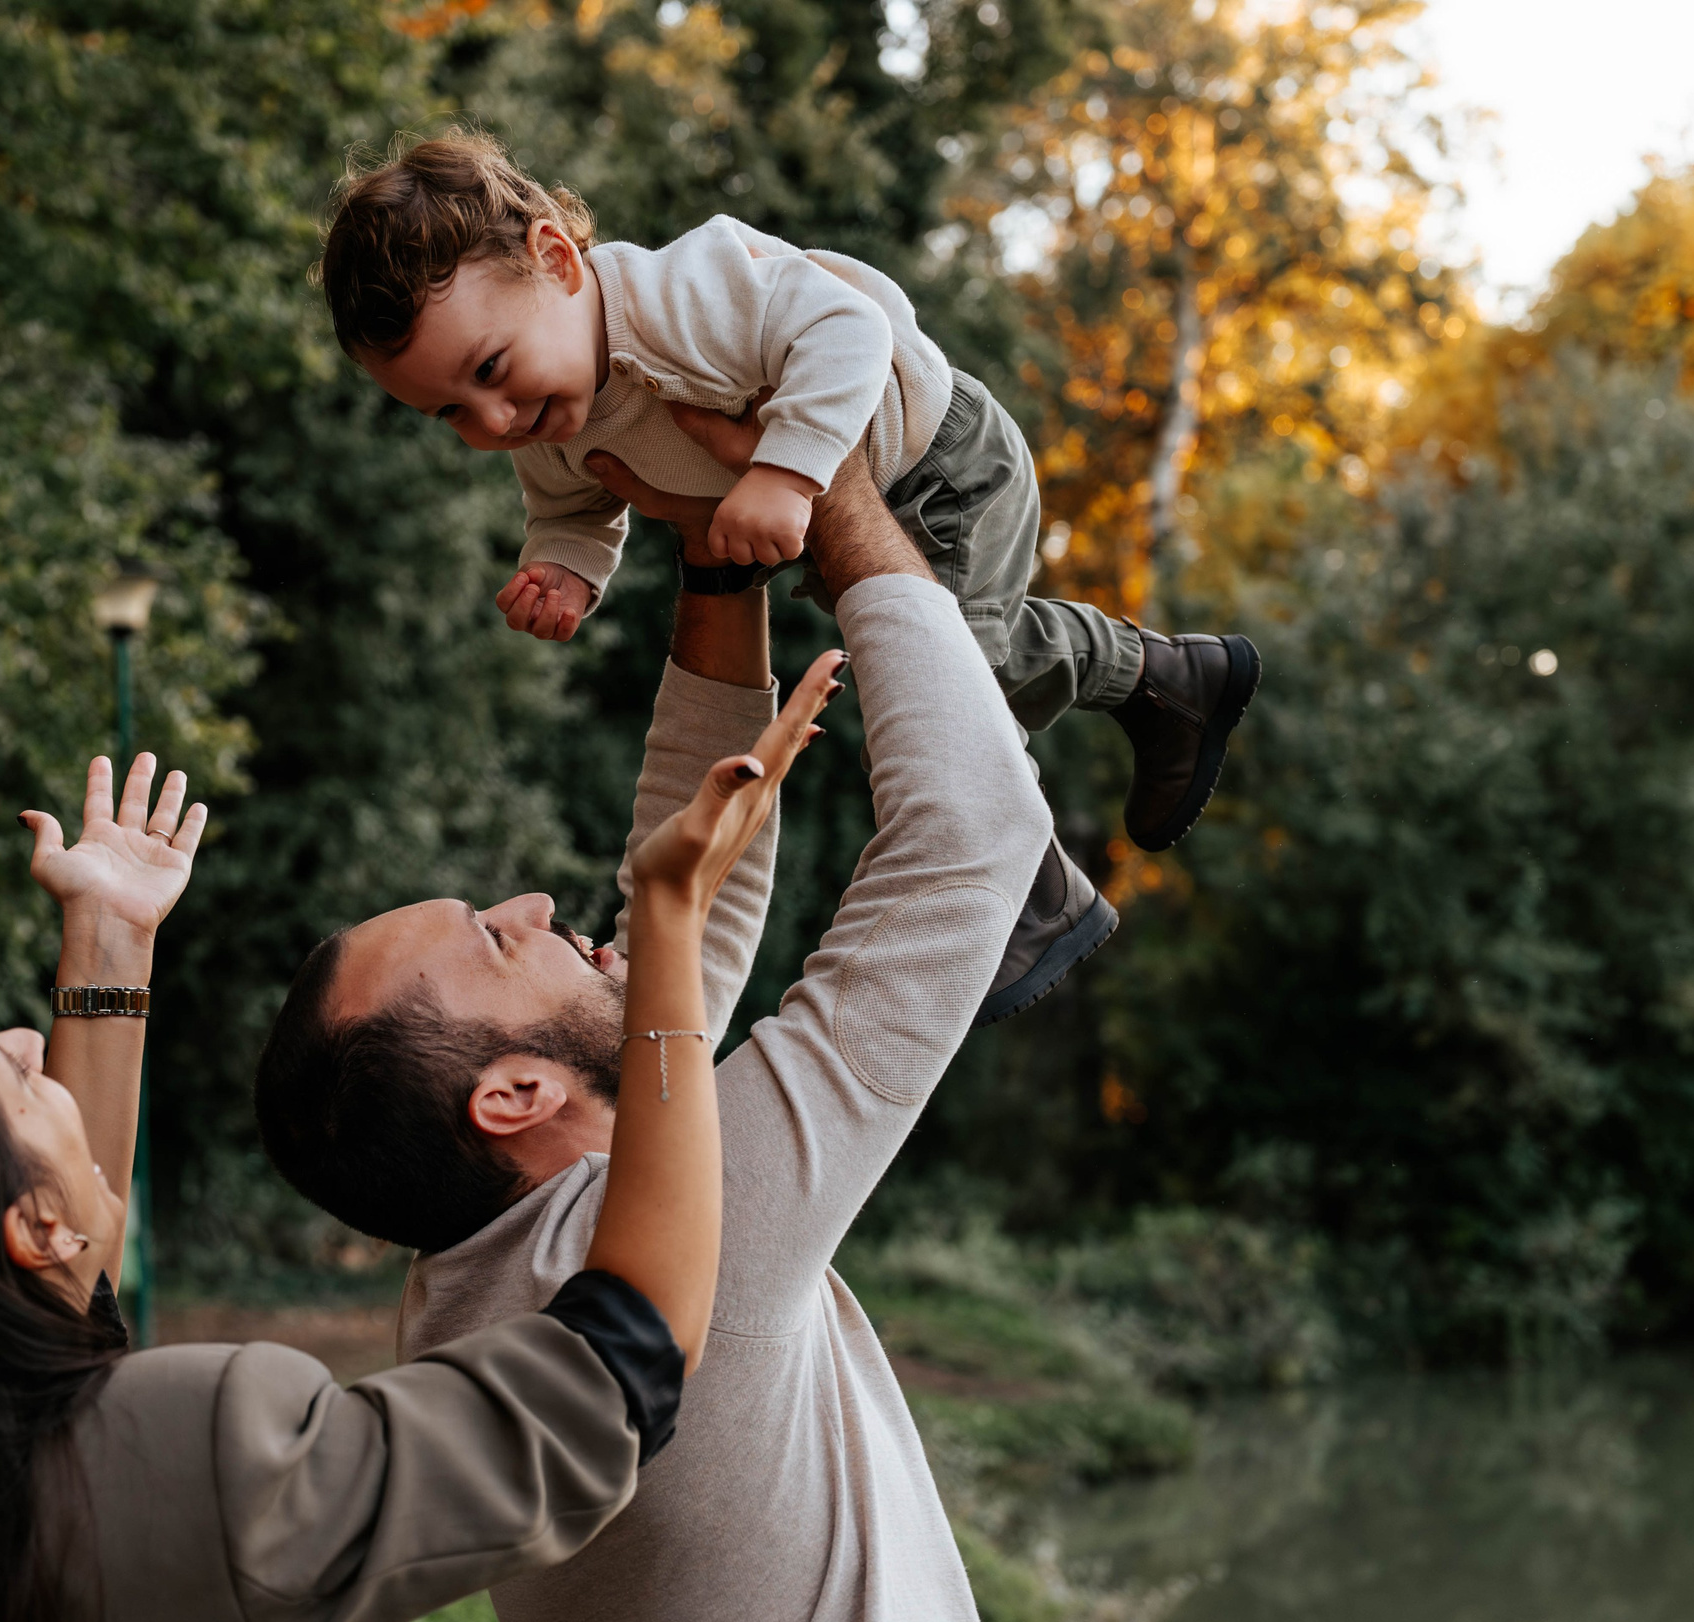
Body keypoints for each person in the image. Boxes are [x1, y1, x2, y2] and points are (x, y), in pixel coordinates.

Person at [0, 649, 844, 1622]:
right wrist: (669, 930)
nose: (27, 1044)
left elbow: (55, 1279)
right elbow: (611, 1369)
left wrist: (110, 945)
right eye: (12, 1077)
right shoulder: (216, 1460)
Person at [257, 403, 1062, 1622]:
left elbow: (684, 936)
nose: (527, 906)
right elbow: (978, 831)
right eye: (489, 937)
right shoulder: (704, 1236)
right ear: (514, 1096)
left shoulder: (473, 1281)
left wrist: (718, 555)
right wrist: (844, 502)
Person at [318, 129, 1263, 1022]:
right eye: (451, 413)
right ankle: (1166, 682)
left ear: (558, 261)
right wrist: (563, 572)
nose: (494, 420)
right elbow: (576, 509)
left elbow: (846, 326)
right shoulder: (548, 414)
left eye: (491, 368)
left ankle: (1028, 891)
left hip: (933, 463)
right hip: (837, 522)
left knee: (932, 694)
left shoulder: (677, 295)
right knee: (999, 656)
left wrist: (784, 469)